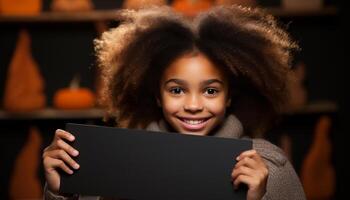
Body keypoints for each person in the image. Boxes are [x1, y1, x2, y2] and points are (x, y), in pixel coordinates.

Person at [42, 5, 306, 200]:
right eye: (177, 90)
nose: (193, 105)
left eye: (211, 91)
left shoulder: (270, 168)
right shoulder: (115, 162)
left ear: (230, 97)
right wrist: (58, 191)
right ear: (157, 95)